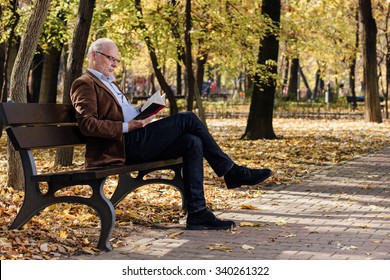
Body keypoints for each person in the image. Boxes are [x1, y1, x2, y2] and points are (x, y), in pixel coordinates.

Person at [71, 38, 272, 231]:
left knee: (191, 142)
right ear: (93, 55)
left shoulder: (110, 83)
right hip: (119, 147)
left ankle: (198, 213)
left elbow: (119, 112)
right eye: (110, 58)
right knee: (188, 118)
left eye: (116, 60)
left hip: (133, 139)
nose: (114, 64)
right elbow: (88, 124)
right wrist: (127, 126)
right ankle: (231, 171)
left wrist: (142, 110)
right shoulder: (85, 83)